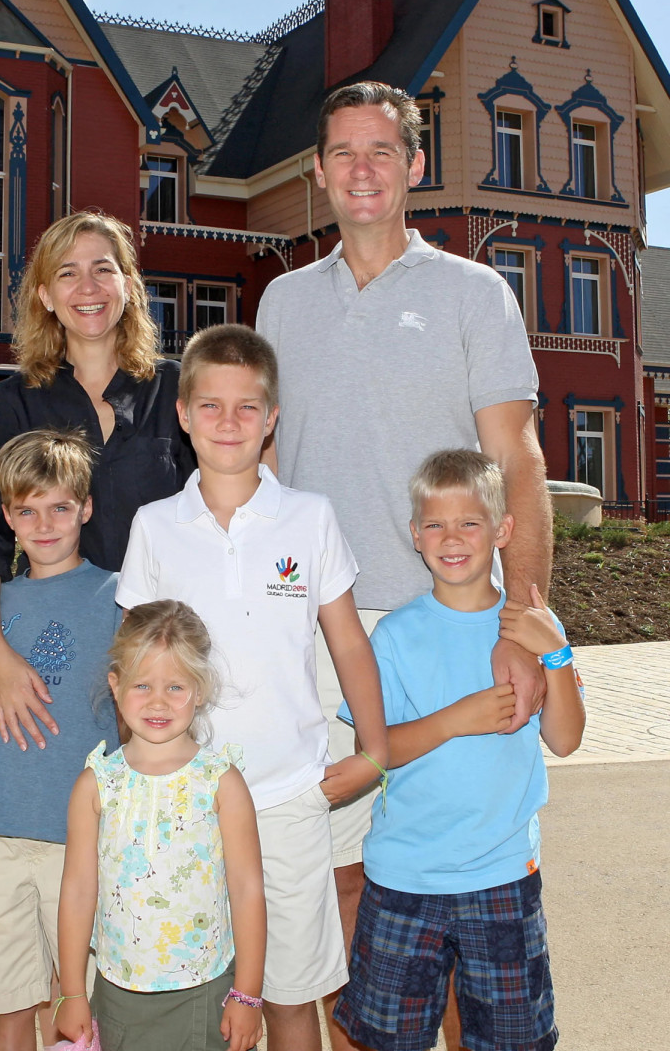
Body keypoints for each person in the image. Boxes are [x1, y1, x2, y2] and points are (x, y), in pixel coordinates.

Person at [255, 80, 552, 1049]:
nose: (361, 169)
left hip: (446, 627)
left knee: (472, 889)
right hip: (318, 639)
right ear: (317, 173)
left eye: (381, 150)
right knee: (342, 881)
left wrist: (523, 621)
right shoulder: (281, 302)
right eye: (341, 152)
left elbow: (517, 462)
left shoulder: (473, 293)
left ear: (414, 165)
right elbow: (256, 470)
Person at [115, 324, 388, 1051]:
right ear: (183, 413)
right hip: (185, 801)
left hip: (288, 797)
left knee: (292, 1000)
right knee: (205, 1000)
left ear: (272, 419)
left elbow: (348, 641)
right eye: (211, 406)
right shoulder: (154, 528)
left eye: (247, 408)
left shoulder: (310, 517)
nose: (228, 423)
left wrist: (377, 749)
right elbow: (138, 664)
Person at [333, 449, 585, 1051]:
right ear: (416, 535)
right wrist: (455, 720)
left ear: (502, 530)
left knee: (512, 1041)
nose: (453, 539)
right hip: (403, 878)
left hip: (502, 876)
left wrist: (558, 655)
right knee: (389, 1040)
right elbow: (377, 751)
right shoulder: (393, 636)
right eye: (437, 525)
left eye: (470, 523)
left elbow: (567, 739)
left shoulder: (532, 631)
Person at [0, 211, 193, 753]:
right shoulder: (16, 403)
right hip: (51, 644)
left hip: (160, 651)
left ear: (127, 285)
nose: (88, 287)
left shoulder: (179, 391)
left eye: (103, 269)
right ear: (44, 295)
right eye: (67, 273)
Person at [0, 428, 122, 1051]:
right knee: (11, 1006)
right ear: (7, 517)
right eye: (27, 510)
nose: (43, 524)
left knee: (79, 1010)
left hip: (77, 845)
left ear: (86, 508)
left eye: (59, 508)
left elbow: (133, 726)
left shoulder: (116, 599)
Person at [56, 599, 266, 1051]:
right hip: (117, 993)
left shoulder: (221, 782)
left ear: (201, 690)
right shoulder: (96, 783)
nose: (157, 701)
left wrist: (247, 994)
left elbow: (247, 889)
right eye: (142, 685)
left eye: (175, 687)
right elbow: (76, 891)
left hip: (206, 991)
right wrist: (73, 992)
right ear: (115, 686)